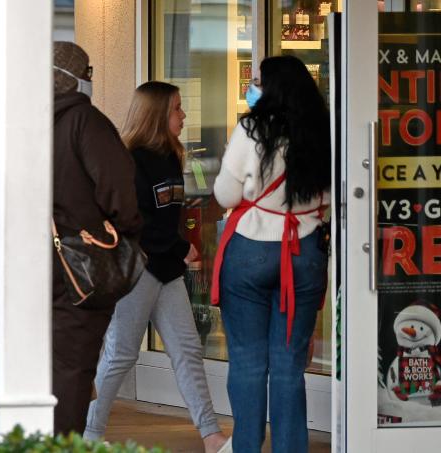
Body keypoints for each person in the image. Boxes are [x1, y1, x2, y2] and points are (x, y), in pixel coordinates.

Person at [82, 81, 229, 453]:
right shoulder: (131, 158)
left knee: (188, 350)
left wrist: (180, 249)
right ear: (157, 114)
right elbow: (135, 220)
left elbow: (168, 219)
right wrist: (182, 249)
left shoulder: (171, 155)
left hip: (167, 272)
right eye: (177, 108)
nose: (184, 115)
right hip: (138, 271)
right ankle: (88, 435)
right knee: (121, 354)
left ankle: (211, 436)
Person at [212, 55, 330, 453]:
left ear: (272, 87)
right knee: (288, 366)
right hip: (305, 250)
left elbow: (226, 195)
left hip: (250, 250)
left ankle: (245, 447)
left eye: (257, 80)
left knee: (246, 361)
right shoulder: (322, 130)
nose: (253, 86)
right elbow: (331, 198)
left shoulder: (250, 128)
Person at [50, 41, 141, 435]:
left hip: (26, 265)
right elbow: (120, 191)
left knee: (39, 367)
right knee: (73, 368)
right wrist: (125, 233)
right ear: (77, 79)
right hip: (81, 265)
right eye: (89, 73)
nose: (91, 80)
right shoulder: (86, 122)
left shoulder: (19, 123)